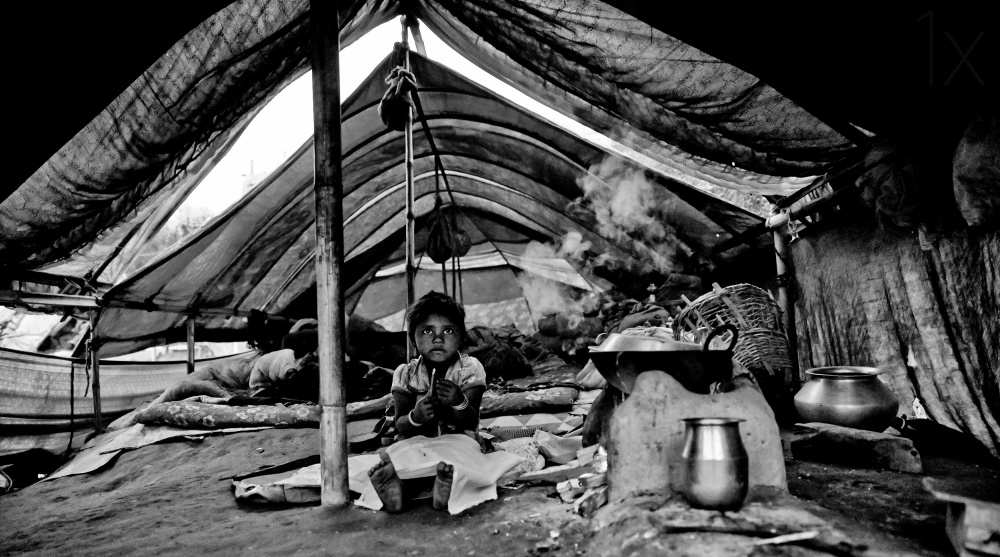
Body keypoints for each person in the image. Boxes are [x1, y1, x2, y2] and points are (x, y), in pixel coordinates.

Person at [367, 291, 487, 512]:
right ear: (413, 339)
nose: (438, 338)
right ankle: (397, 491)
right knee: (402, 455)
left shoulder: (470, 369)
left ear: (461, 337)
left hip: (457, 442)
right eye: (427, 330)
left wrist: (458, 401)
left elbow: (471, 420)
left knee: (467, 455)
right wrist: (416, 416)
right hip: (417, 444)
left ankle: (445, 486)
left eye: (448, 330)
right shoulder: (406, 373)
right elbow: (400, 424)